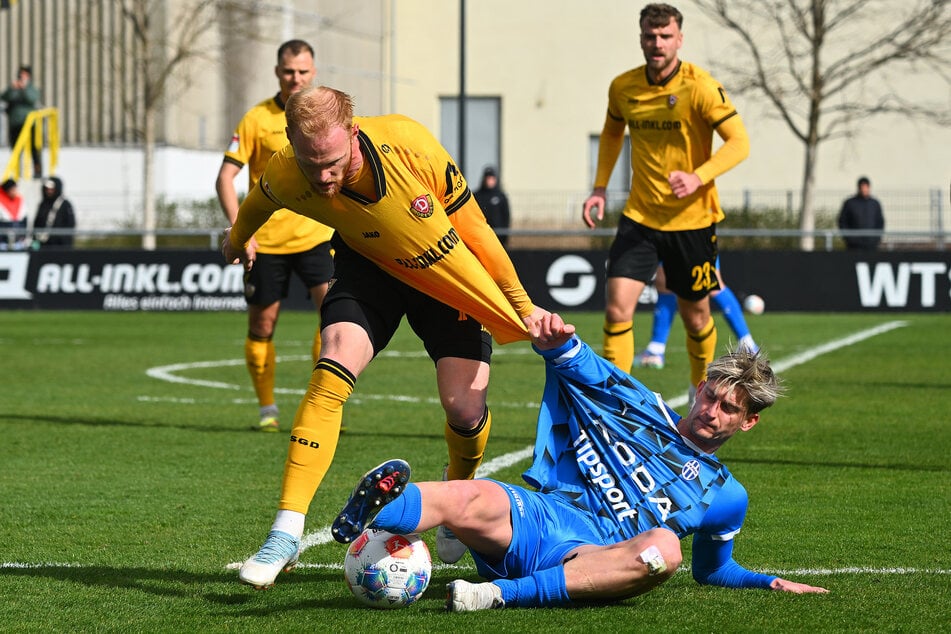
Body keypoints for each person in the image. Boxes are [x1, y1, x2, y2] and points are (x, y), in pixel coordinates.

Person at [222, 85, 550, 587]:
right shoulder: (289, 169)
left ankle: (457, 491)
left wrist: (523, 307)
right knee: (332, 364)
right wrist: (236, 239)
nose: (323, 176)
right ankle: (284, 533)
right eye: (312, 165)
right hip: (369, 268)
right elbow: (257, 203)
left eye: (332, 161)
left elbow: (479, 232)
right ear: (290, 141)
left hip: (443, 271)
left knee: (464, 408)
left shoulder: (410, 144)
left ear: (354, 132)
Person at [331, 312, 829, 611]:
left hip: (595, 558)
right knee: (474, 492)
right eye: (711, 397)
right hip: (547, 517)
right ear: (698, 389)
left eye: (729, 409)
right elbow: (588, 367)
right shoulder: (641, 406)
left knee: (664, 550)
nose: (712, 412)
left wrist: (768, 581)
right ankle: (374, 510)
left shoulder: (726, 495)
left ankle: (501, 594)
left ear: (748, 423)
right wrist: (557, 340)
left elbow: (712, 570)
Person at [581, 3, 750, 406]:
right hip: (639, 218)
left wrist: (698, 176)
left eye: (665, 36)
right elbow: (610, 133)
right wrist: (599, 188)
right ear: (641, 38)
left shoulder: (701, 87)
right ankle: (615, 405)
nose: (656, 44)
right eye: (649, 36)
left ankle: (699, 393)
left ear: (679, 39)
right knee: (617, 310)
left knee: (696, 319)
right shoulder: (623, 87)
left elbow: (739, 142)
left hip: (691, 222)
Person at [215, 39, 335, 433]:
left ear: (313, 72)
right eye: (289, 71)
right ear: (277, 72)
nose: (295, 78)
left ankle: (326, 408)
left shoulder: (324, 115)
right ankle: (267, 409)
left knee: (336, 320)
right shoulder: (256, 119)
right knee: (262, 327)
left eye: (303, 71)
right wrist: (241, 231)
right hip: (267, 243)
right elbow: (226, 178)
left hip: (318, 237)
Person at [634, 259, 757, 370]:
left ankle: (748, 345)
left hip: (694, 235)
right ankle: (656, 349)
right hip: (667, 234)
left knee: (712, 282)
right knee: (664, 282)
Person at [1, 65, 42, 177]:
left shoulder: (31, 88)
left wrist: (24, 88)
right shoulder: (14, 87)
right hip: (15, 123)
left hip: (29, 123)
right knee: (15, 149)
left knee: (34, 149)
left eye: (24, 74)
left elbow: (32, 99)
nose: (22, 76)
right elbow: (3, 97)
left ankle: (37, 171)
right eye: (21, 74)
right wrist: (11, 88)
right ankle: (16, 172)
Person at [838, 176, 884, 250]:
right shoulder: (850, 203)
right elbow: (842, 222)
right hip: (853, 246)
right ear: (858, 188)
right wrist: (849, 238)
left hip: (871, 245)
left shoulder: (875, 204)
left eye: (866, 187)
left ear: (869, 187)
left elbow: (880, 222)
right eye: (862, 187)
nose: (864, 189)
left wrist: (876, 238)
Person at [32, 176, 75, 249]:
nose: (49, 191)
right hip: (44, 245)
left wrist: (62, 239)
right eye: (47, 189)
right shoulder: (43, 204)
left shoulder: (65, 204)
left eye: (52, 189)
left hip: (61, 245)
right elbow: (37, 223)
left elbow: (70, 223)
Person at [473, 166, 511, 247]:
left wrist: (505, 235)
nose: (489, 181)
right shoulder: (477, 196)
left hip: (498, 236)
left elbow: (506, 215)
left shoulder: (501, 196)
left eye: (491, 178)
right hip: (481, 236)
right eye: (488, 178)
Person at [0, 178, 28, 250]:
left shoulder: (20, 200)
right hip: (3, 242)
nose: (14, 192)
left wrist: (23, 237)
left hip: (18, 241)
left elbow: (24, 220)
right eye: (12, 189)